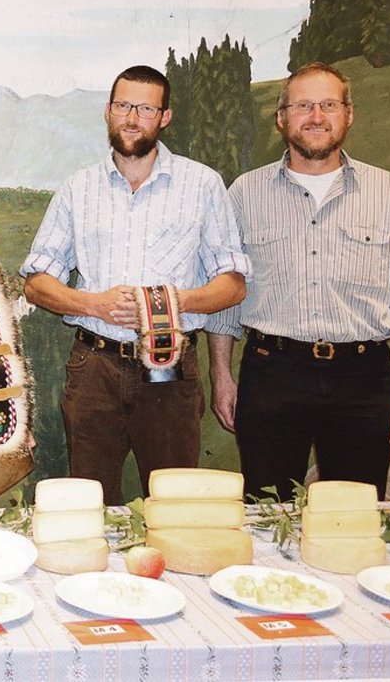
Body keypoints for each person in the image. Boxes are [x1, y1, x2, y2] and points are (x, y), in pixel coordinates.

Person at [206, 62, 390, 502]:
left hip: (363, 379)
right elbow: (227, 298)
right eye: (302, 105)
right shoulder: (244, 193)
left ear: (348, 114)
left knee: (353, 516)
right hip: (271, 372)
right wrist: (221, 375)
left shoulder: (389, 193)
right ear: (281, 118)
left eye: (329, 104)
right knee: (266, 511)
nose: (316, 116)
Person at [20, 65, 249, 505]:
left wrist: (174, 303)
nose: (131, 117)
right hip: (94, 369)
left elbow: (234, 284)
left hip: (172, 370)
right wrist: (93, 304)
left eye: (145, 108)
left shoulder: (202, 185)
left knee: (174, 504)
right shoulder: (77, 188)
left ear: (164, 117)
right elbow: (36, 284)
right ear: (108, 112)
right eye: (123, 106)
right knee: (88, 502)